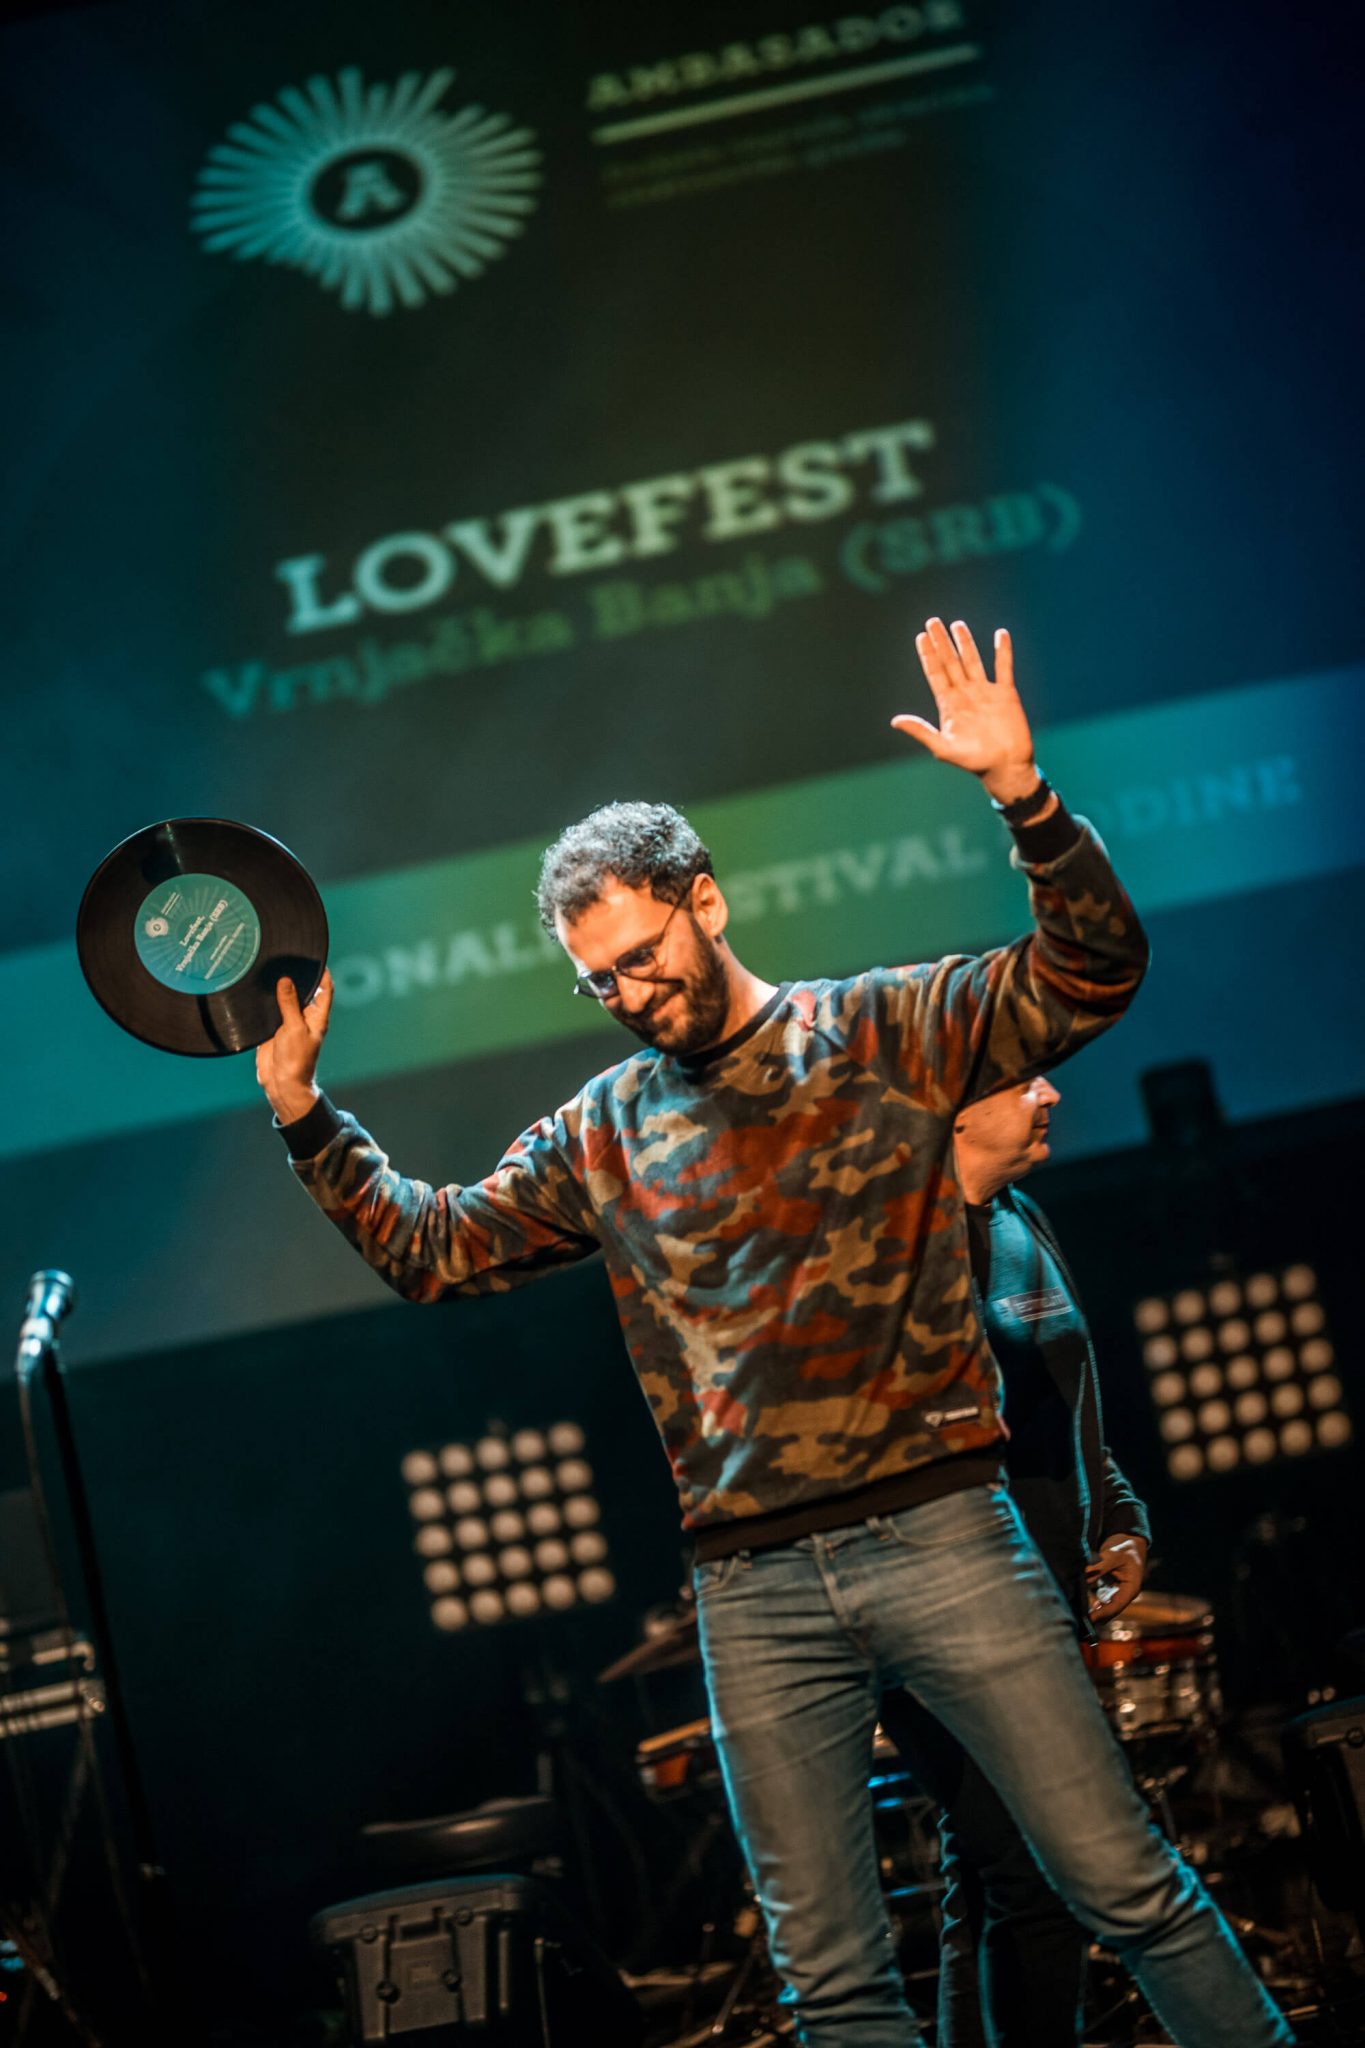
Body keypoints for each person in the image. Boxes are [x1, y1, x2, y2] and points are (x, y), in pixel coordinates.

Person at [256, 618, 1293, 2048]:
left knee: (1127, 1888)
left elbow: (1091, 970)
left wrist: (1025, 799)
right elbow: (433, 1251)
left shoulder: (883, 1030)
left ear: (706, 898)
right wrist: (307, 1117)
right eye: (600, 982)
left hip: (944, 1536)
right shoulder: (599, 1133)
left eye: (641, 955)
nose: (631, 996)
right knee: (833, 1986)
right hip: (751, 1590)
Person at [878, 1073, 1152, 2047]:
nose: (1052, 1092)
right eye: (1021, 1077)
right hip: (949, 1602)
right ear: (953, 1107)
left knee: (994, 1871)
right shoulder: (898, 1245)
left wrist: (1118, 1521)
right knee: (1035, 1876)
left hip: (1036, 1595)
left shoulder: (1020, 1216)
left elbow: (1065, 1405)